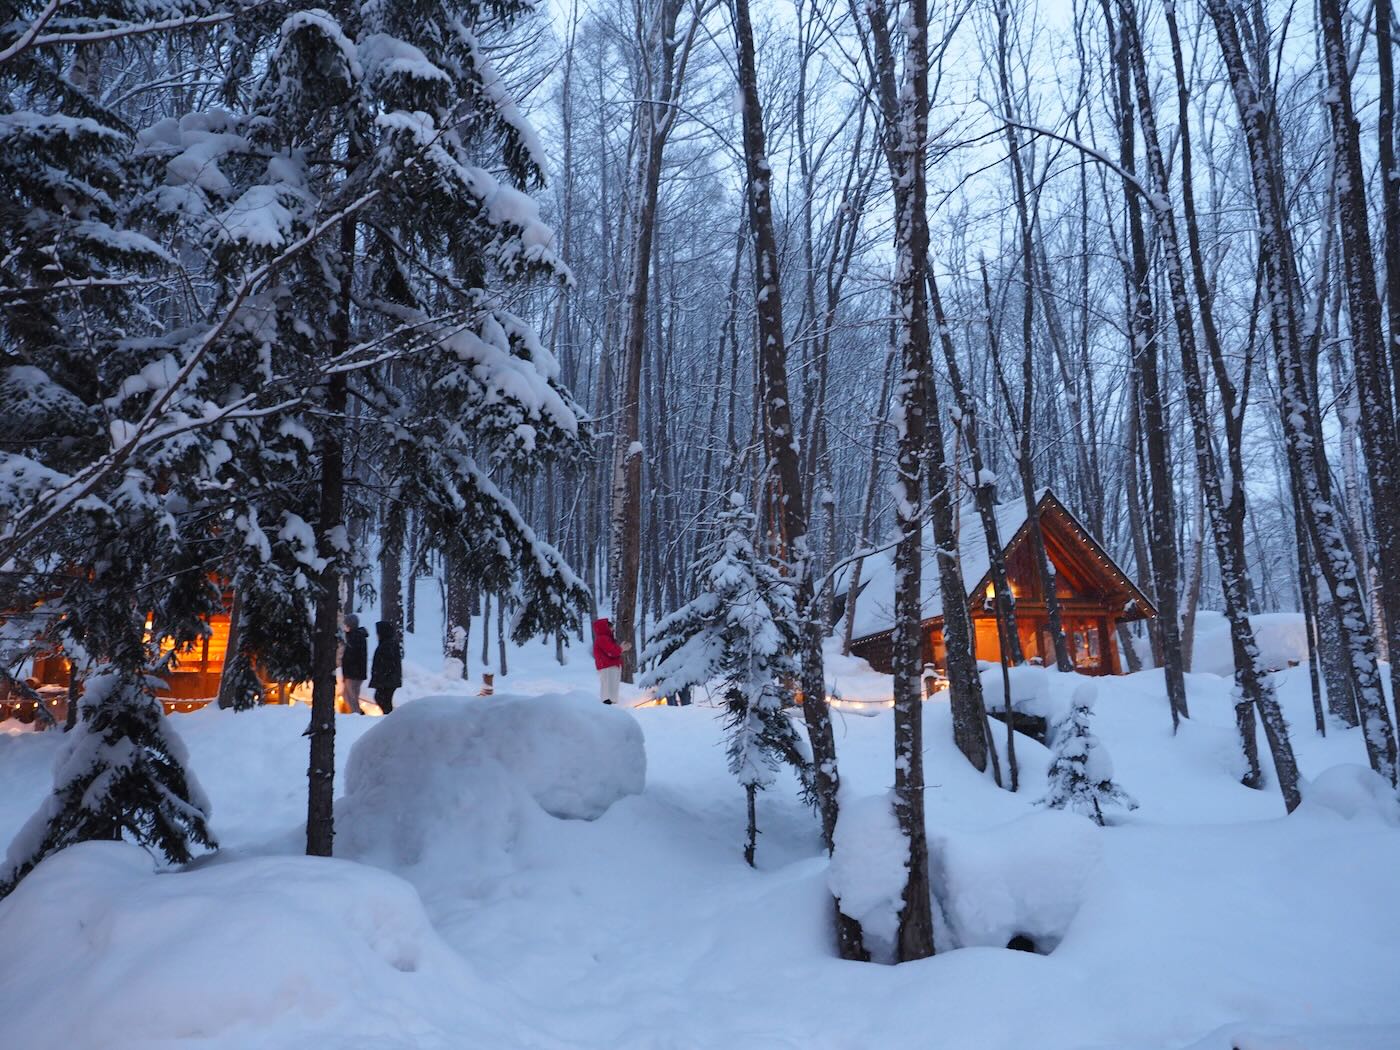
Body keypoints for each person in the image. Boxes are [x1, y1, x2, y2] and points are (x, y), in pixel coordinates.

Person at [592, 617, 629, 705]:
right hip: (607, 666)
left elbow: (612, 651)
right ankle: (607, 705)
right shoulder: (602, 638)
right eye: (611, 627)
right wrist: (621, 649)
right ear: (606, 628)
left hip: (609, 666)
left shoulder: (606, 638)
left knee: (611, 688)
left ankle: (610, 705)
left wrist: (620, 649)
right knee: (608, 689)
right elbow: (611, 652)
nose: (613, 630)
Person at [370, 619, 402, 713]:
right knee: (382, 699)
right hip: (387, 679)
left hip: (387, 680)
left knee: (383, 699)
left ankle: (389, 717)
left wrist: (381, 676)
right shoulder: (387, 643)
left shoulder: (388, 645)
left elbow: (387, 664)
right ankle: (388, 716)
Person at [341, 613, 369, 714]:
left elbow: (352, 656)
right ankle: (356, 713)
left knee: (351, 697)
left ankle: (356, 715)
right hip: (354, 673)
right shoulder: (355, 637)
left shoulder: (355, 637)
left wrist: (349, 670)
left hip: (354, 674)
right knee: (348, 695)